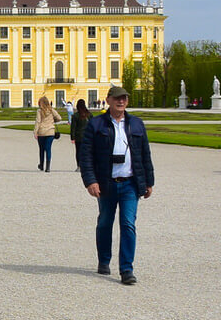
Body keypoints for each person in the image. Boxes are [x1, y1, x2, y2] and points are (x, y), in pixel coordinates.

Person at [79, 85, 155, 285]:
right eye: (117, 98)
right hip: (106, 183)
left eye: (124, 98)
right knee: (105, 222)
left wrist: (149, 181)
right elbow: (85, 155)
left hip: (130, 183)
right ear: (109, 100)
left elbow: (145, 155)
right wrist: (90, 181)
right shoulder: (96, 124)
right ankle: (104, 259)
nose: (121, 101)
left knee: (128, 224)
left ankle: (126, 269)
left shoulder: (137, 124)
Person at [34, 96, 62, 172]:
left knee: (42, 149)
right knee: (48, 149)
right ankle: (48, 167)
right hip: (50, 132)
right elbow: (59, 118)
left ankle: (41, 165)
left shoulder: (39, 111)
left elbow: (38, 121)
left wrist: (35, 132)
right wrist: (53, 121)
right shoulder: (51, 110)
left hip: (42, 132)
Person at [70, 99, 91, 172]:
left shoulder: (76, 116)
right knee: (87, 152)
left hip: (79, 136)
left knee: (78, 151)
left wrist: (72, 137)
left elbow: (73, 127)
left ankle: (79, 166)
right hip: (88, 136)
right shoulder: (89, 115)